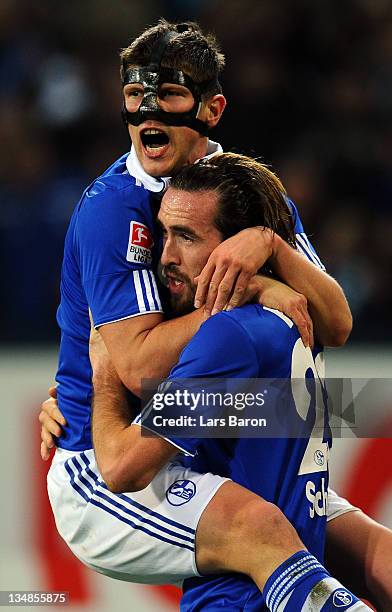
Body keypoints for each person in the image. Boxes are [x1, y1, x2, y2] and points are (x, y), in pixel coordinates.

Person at [39, 18, 383, 611]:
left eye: (168, 93)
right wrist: (251, 292)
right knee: (262, 531)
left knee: (362, 545)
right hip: (108, 461)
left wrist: (272, 251)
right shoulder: (111, 210)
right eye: (133, 96)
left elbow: (337, 322)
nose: (149, 111)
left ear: (212, 107)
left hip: (204, 428)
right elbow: (134, 364)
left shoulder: (243, 190)